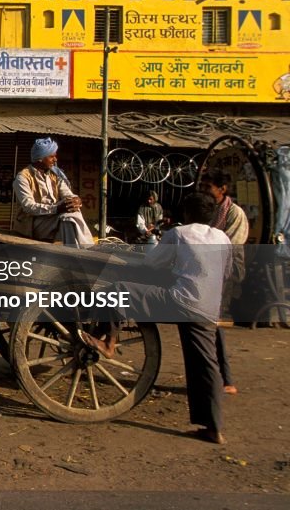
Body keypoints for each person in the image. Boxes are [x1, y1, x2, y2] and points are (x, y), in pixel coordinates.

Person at [80, 192, 232, 444]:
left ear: (187, 213)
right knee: (206, 365)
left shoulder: (179, 234)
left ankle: (108, 341)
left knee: (119, 289)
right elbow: (224, 272)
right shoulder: (223, 238)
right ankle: (214, 428)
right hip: (207, 307)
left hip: (180, 301)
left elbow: (152, 264)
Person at [198, 168, 248, 395]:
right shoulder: (209, 209)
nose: (205, 191)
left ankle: (226, 378)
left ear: (222, 189)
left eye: (209, 187)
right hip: (209, 268)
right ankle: (216, 376)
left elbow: (229, 245)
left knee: (213, 324)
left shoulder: (234, 213)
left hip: (227, 269)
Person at [13, 137, 94, 247]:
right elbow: (29, 207)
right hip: (32, 224)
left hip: (53, 220)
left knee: (70, 216)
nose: (55, 160)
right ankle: (86, 249)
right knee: (68, 217)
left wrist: (75, 200)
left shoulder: (55, 175)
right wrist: (56, 209)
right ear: (40, 159)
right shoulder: (22, 177)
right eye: (52, 156)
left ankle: (75, 251)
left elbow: (67, 194)